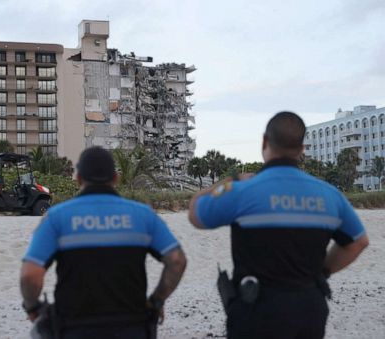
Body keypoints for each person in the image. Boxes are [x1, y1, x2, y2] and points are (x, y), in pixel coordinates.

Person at [189, 111, 370, 339]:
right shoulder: (329, 195)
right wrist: (320, 272)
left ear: (265, 142)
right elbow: (358, 242)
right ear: (302, 148)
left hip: (256, 311)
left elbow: (196, 213)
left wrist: (230, 181)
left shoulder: (242, 191)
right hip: (309, 309)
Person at [21, 146, 187, 339]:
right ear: (115, 178)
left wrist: (32, 307)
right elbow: (177, 261)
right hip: (133, 327)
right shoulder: (143, 215)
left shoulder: (57, 217)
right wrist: (156, 301)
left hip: (74, 328)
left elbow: (29, 276)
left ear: (79, 178)